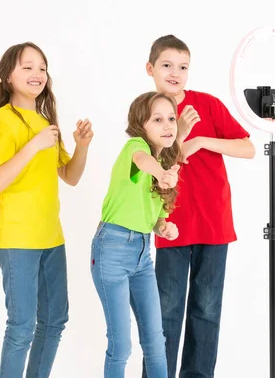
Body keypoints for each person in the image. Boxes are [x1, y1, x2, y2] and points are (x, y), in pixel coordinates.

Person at [142, 35, 255, 378]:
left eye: (183, 67)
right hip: (171, 223)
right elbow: (146, 163)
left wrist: (202, 140)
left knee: (206, 310)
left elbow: (247, 148)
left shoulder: (207, 104)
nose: (175, 73)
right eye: (166, 65)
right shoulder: (147, 111)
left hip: (213, 223)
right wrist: (181, 140)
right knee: (166, 311)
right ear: (150, 69)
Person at [0, 42, 94, 378]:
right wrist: (33, 145)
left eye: (42, 68)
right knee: (21, 326)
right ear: (7, 76)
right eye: (27, 67)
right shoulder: (3, 121)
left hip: (50, 236)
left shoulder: (46, 121)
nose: (37, 74)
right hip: (18, 238)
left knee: (55, 320)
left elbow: (70, 177)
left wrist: (82, 146)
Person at [91, 91, 183, 378]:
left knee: (156, 342)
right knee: (120, 345)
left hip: (143, 254)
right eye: (157, 119)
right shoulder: (135, 147)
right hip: (112, 249)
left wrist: (163, 227)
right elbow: (142, 160)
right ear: (141, 125)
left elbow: (154, 219)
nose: (167, 125)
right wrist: (160, 173)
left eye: (171, 119)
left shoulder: (167, 166)